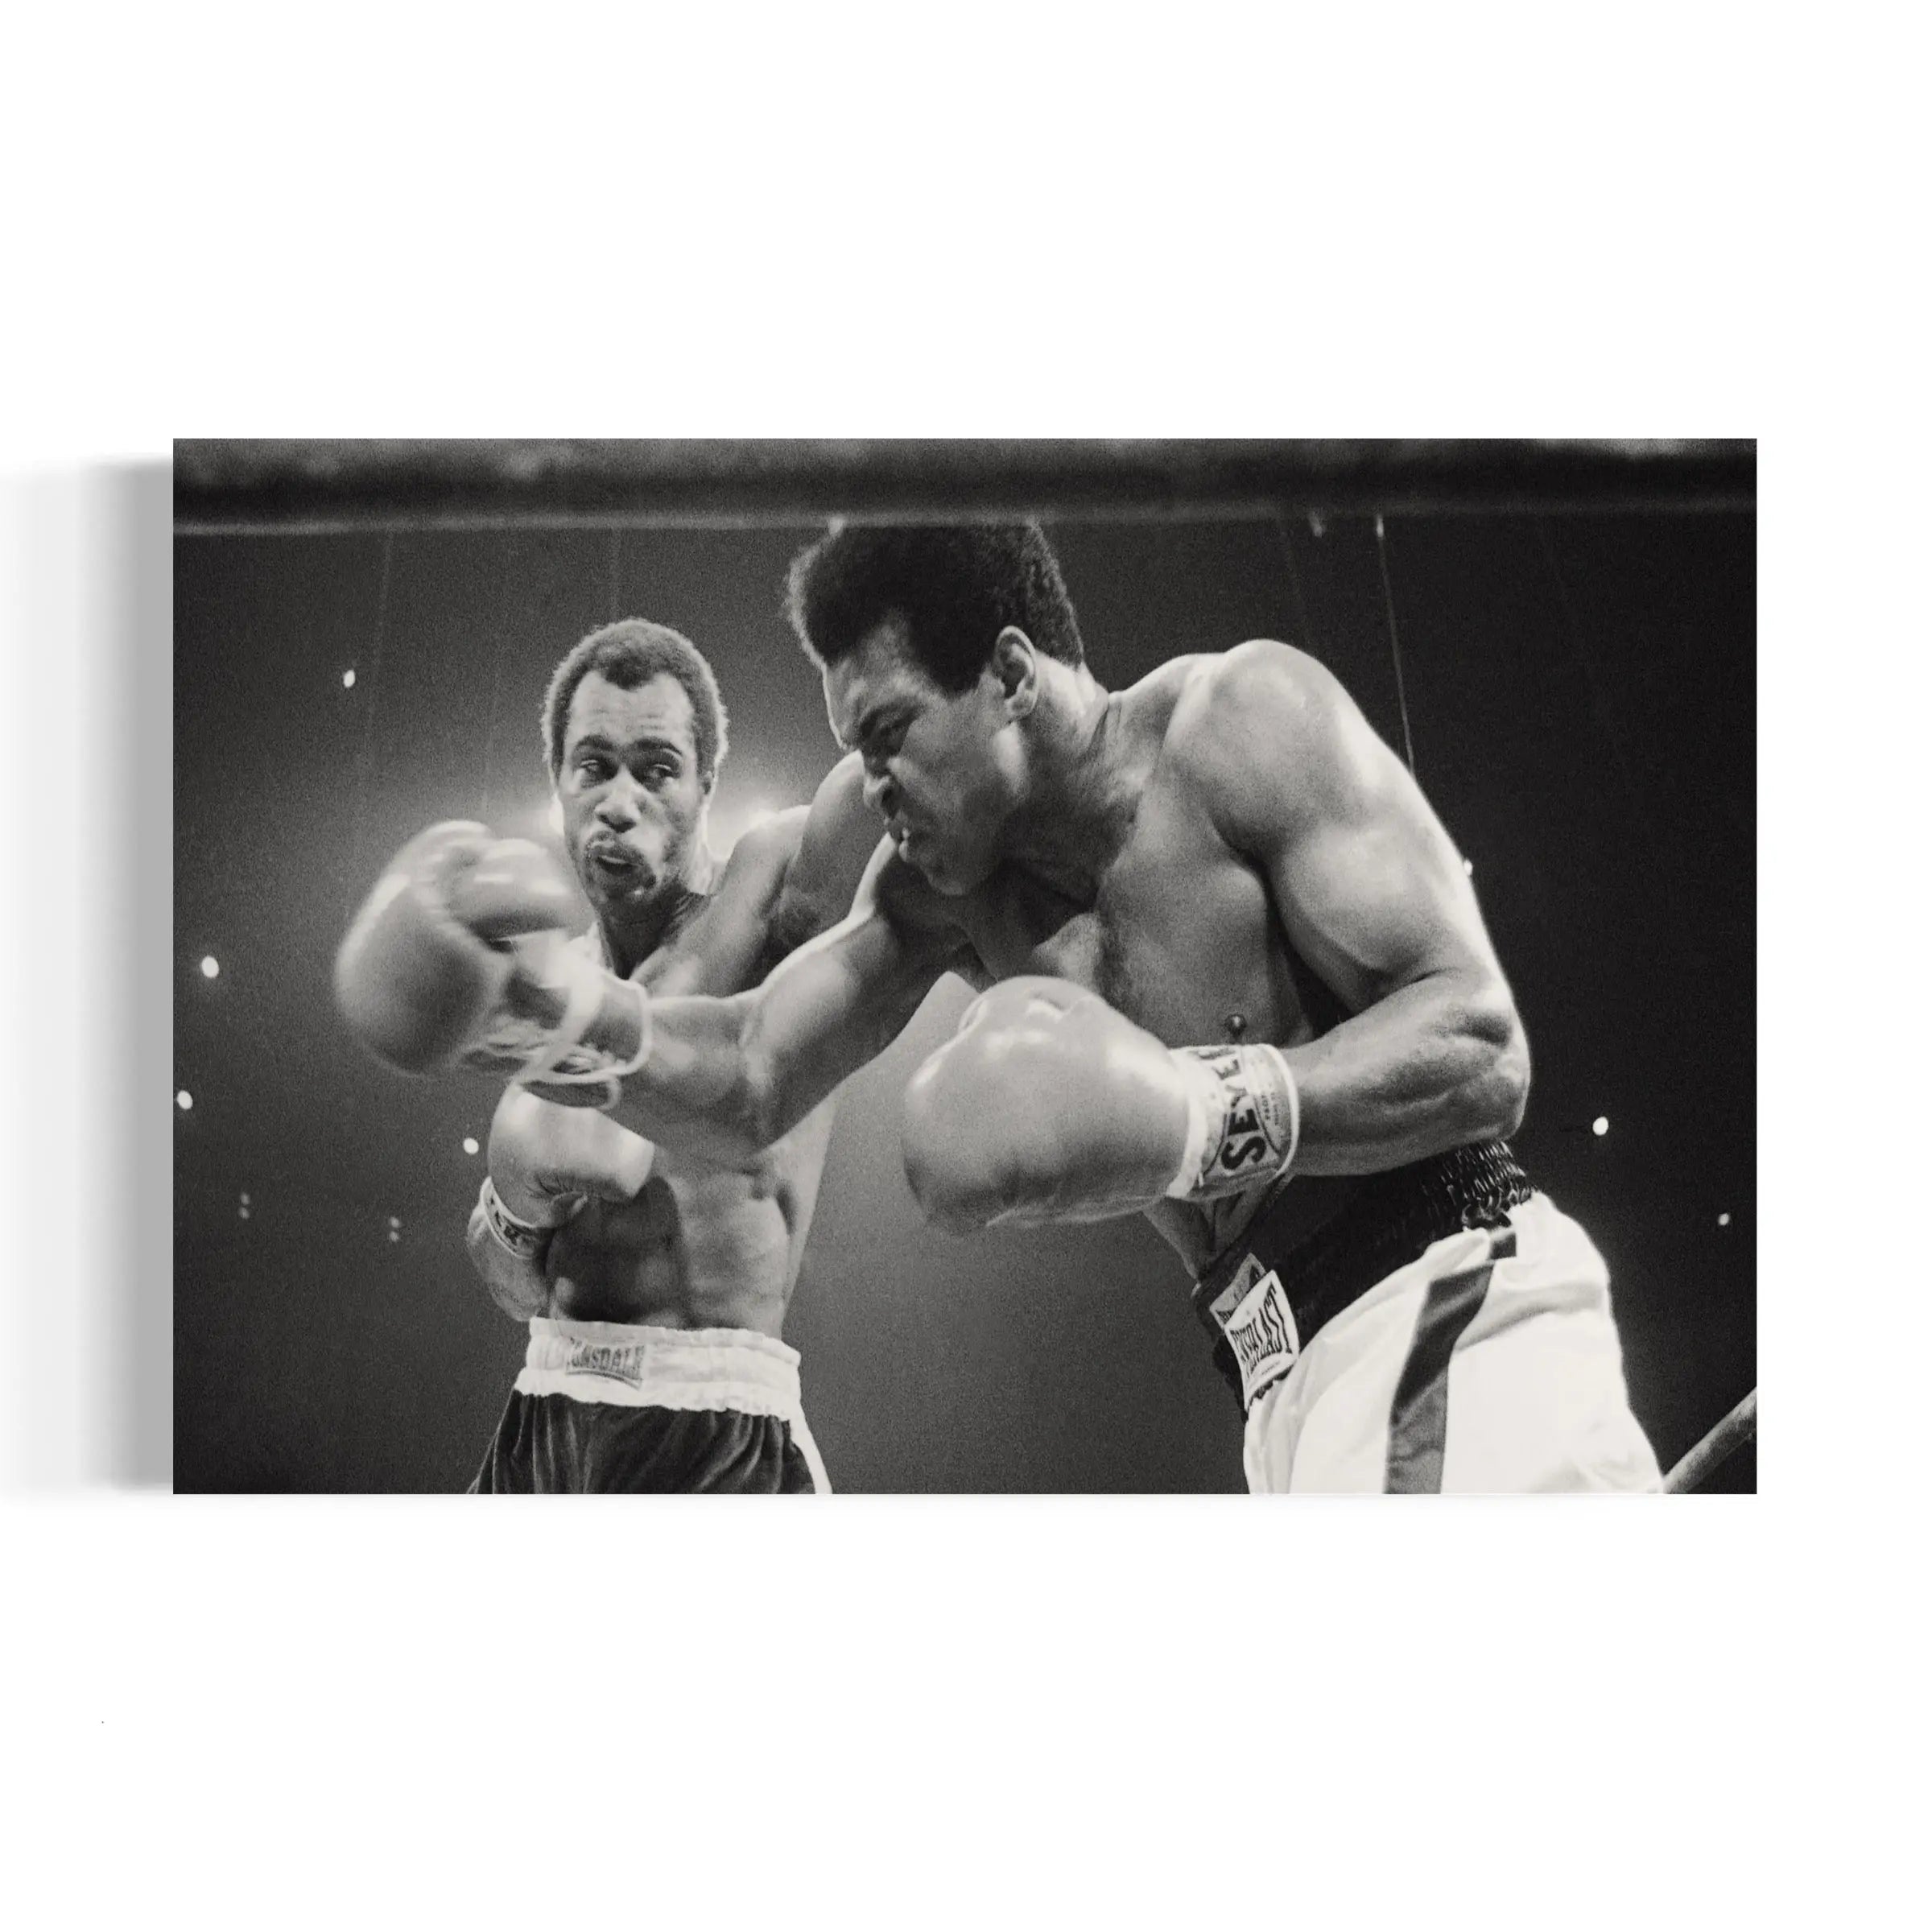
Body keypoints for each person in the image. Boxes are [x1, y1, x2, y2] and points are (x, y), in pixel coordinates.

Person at [348, 526, 1662, 1494]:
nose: (870, 785)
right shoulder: (939, 888)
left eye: (892, 733)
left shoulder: (1239, 724)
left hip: (1445, 1303)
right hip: (1280, 1374)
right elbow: (752, 1068)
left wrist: (1200, 1107)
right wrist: (553, 1015)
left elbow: (1479, 1041)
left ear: (1015, 675)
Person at [335, 617, 875, 1493]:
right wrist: (510, 1209)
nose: (621, 800)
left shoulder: (768, 893)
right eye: (595, 766)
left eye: (657, 769)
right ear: (558, 783)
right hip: (546, 1400)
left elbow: (888, 791)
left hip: (718, 1420)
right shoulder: (534, 966)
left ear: (706, 784)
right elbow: (518, 1283)